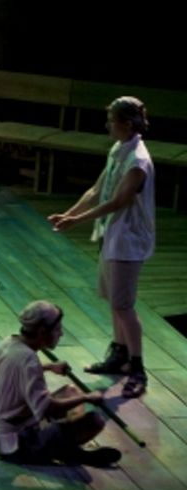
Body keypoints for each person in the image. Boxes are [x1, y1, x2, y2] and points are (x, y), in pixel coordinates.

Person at [48, 96, 155, 398]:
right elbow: (97, 189)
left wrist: (76, 221)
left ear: (126, 123)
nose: (107, 125)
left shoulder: (138, 162)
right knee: (114, 300)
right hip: (112, 235)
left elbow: (118, 201)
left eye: (111, 120)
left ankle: (137, 369)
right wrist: (69, 214)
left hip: (128, 240)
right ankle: (119, 355)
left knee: (124, 304)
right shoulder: (118, 149)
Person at [0, 300, 121, 467]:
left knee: (70, 391)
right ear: (42, 332)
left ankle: (65, 445)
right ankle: (70, 451)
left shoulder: (10, 342)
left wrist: (49, 367)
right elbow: (48, 408)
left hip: (5, 433)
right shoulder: (29, 359)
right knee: (95, 421)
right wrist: (86, 397)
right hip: (17, 444)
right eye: (57, 329)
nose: (61, 333)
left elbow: (19, 371)